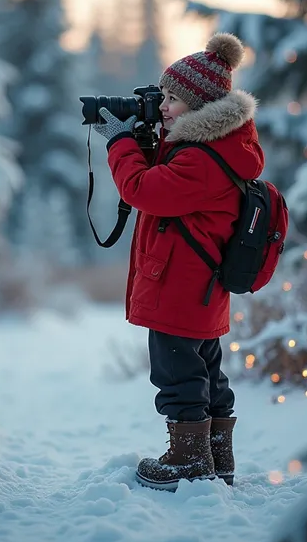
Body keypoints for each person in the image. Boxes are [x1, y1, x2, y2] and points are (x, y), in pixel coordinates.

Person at [93, 33, 264, 491]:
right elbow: (166, 181)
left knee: (177, 374)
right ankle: (217, 459)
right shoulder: (217, 148)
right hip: (200, 287)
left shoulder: (203, 159)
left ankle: (189, 461)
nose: (163, 106)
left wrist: (119, 144)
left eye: (172, 99)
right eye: (164, 96)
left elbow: (144, 190)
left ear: (201, 106)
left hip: (180, 286)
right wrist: (143, 142)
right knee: (205, 370)